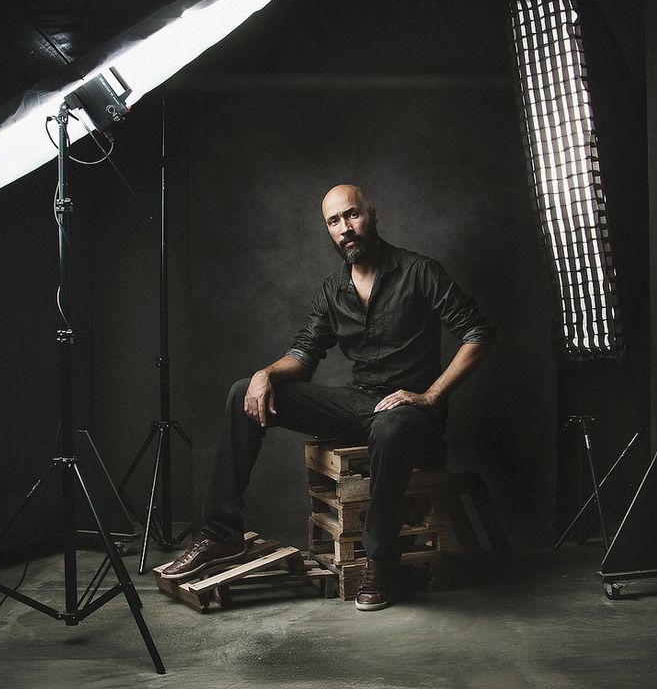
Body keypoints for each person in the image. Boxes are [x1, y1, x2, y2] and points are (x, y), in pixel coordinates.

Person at [162, 184, 496, 610]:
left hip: (410, 415)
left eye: (352, 215)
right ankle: (220, 534)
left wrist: (430, 395)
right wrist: (263, 374)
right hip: (358, 404)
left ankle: (379, 561)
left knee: (392, 425)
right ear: (328, 229)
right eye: (334, 221)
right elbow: (304, 355)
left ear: (372, 215)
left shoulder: (419, 272)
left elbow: (479, 334)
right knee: (241, 391)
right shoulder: (332, 289)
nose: (345, 228)